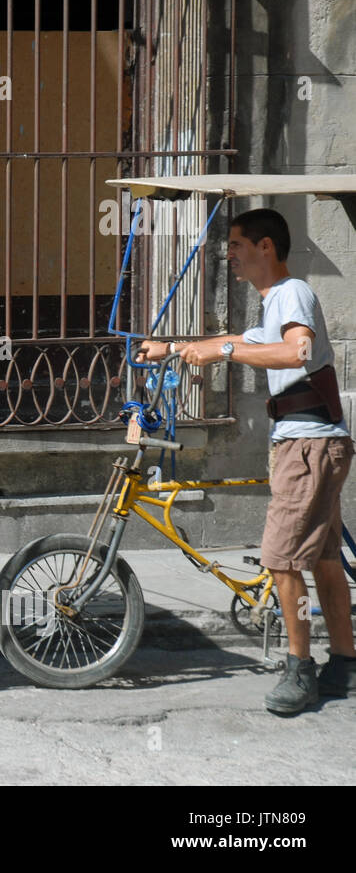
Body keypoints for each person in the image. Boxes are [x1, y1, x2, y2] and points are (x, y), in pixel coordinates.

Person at [138, 207, 353, 715]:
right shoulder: (272, 304)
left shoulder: (292, 292)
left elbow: (295, 352)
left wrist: (228, 350)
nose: (228, 254)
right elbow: (239, 343)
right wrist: (173, 348)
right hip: (308, 442)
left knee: (281, 561)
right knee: (322, 561)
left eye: (236, 245)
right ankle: (345, 661)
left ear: (266, 248)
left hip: (308, 446)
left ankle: (300, 670)